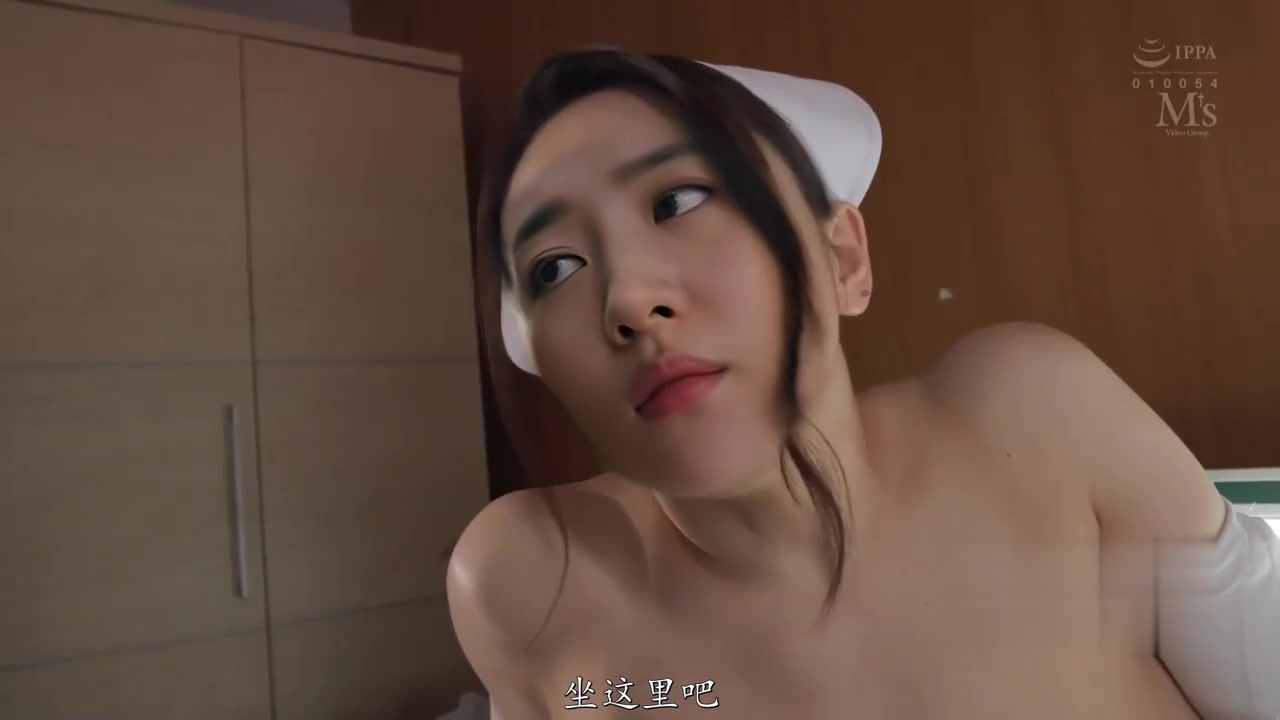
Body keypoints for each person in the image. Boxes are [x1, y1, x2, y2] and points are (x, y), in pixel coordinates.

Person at [446, 47, 1272, 719]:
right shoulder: (530, 580)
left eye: (680, 199)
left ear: (842, 258)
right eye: (554, 267)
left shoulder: (1034, 415)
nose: (626, 299)